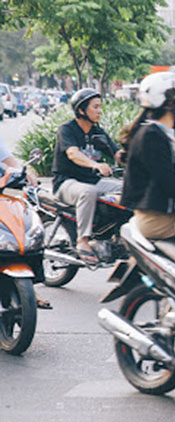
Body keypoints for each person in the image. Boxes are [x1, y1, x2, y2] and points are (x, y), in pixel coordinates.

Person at [52, 88, 125, 263]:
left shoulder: (97, 132)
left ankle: (120, 236)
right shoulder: (67, 130)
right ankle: (82, 240)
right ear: (81, 110)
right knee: (87, 192)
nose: (100, 110)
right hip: (66, 183)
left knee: (129, 188)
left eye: (100, 107)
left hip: (93, 181)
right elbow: (73, 154)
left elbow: (117, 154)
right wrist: (95, 164)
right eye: (95, 107)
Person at [120, 66, 175, 239]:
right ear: (170, 103)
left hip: (163, 214)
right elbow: (169, 183)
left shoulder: (161, 133)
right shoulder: (152, 136)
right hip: (156, 220)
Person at [0, 137, 49, 310]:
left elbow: (10, 162)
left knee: (23, 226)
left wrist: (24, 173)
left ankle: (29, 289)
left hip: (3, 192)